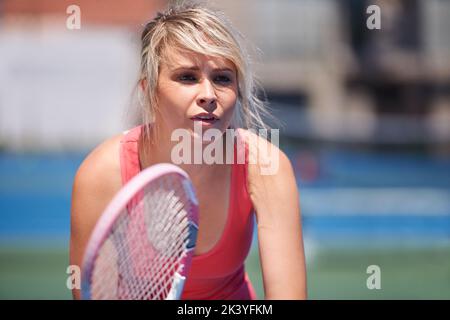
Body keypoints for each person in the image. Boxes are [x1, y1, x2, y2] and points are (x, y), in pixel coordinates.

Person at [70, 2, 307, 300]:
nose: (208, 95)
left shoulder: (265, 165)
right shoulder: (102, 174)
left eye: (222, 78)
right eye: (187, 77)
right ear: (149, 90)